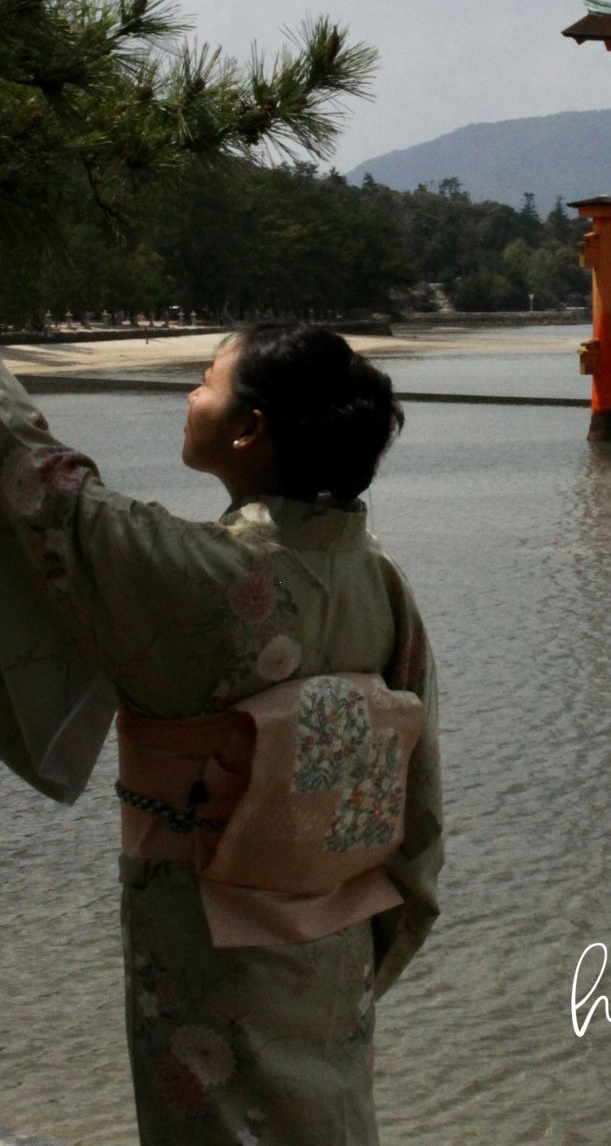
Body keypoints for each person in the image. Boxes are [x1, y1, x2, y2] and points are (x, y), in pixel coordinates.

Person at [0, 322, 442, 1146]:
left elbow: (42, 489)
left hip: (207, 931)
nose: (190, 394)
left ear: (248, 428)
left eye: (205, 380)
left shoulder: (206, 575)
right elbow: (417, 807)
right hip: (337, 937)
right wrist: (382, 928)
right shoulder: (379, 583)